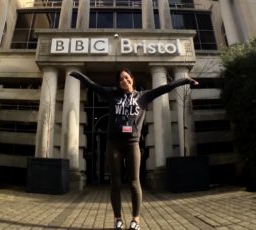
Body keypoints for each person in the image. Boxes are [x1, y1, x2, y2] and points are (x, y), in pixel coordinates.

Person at [69, 68, 198, 230]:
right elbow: (93, 85)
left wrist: (186, 80)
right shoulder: (112, 94)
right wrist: (76, 74)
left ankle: (135, 220)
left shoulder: (143, 96)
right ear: (118, 82)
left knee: (134, 182)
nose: (124, 80)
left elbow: (165, 88)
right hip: (113, 144)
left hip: (132, 144)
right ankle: (118, 219)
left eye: (127, 77)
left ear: (132, 78)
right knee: (115, 183)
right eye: (121, 79)